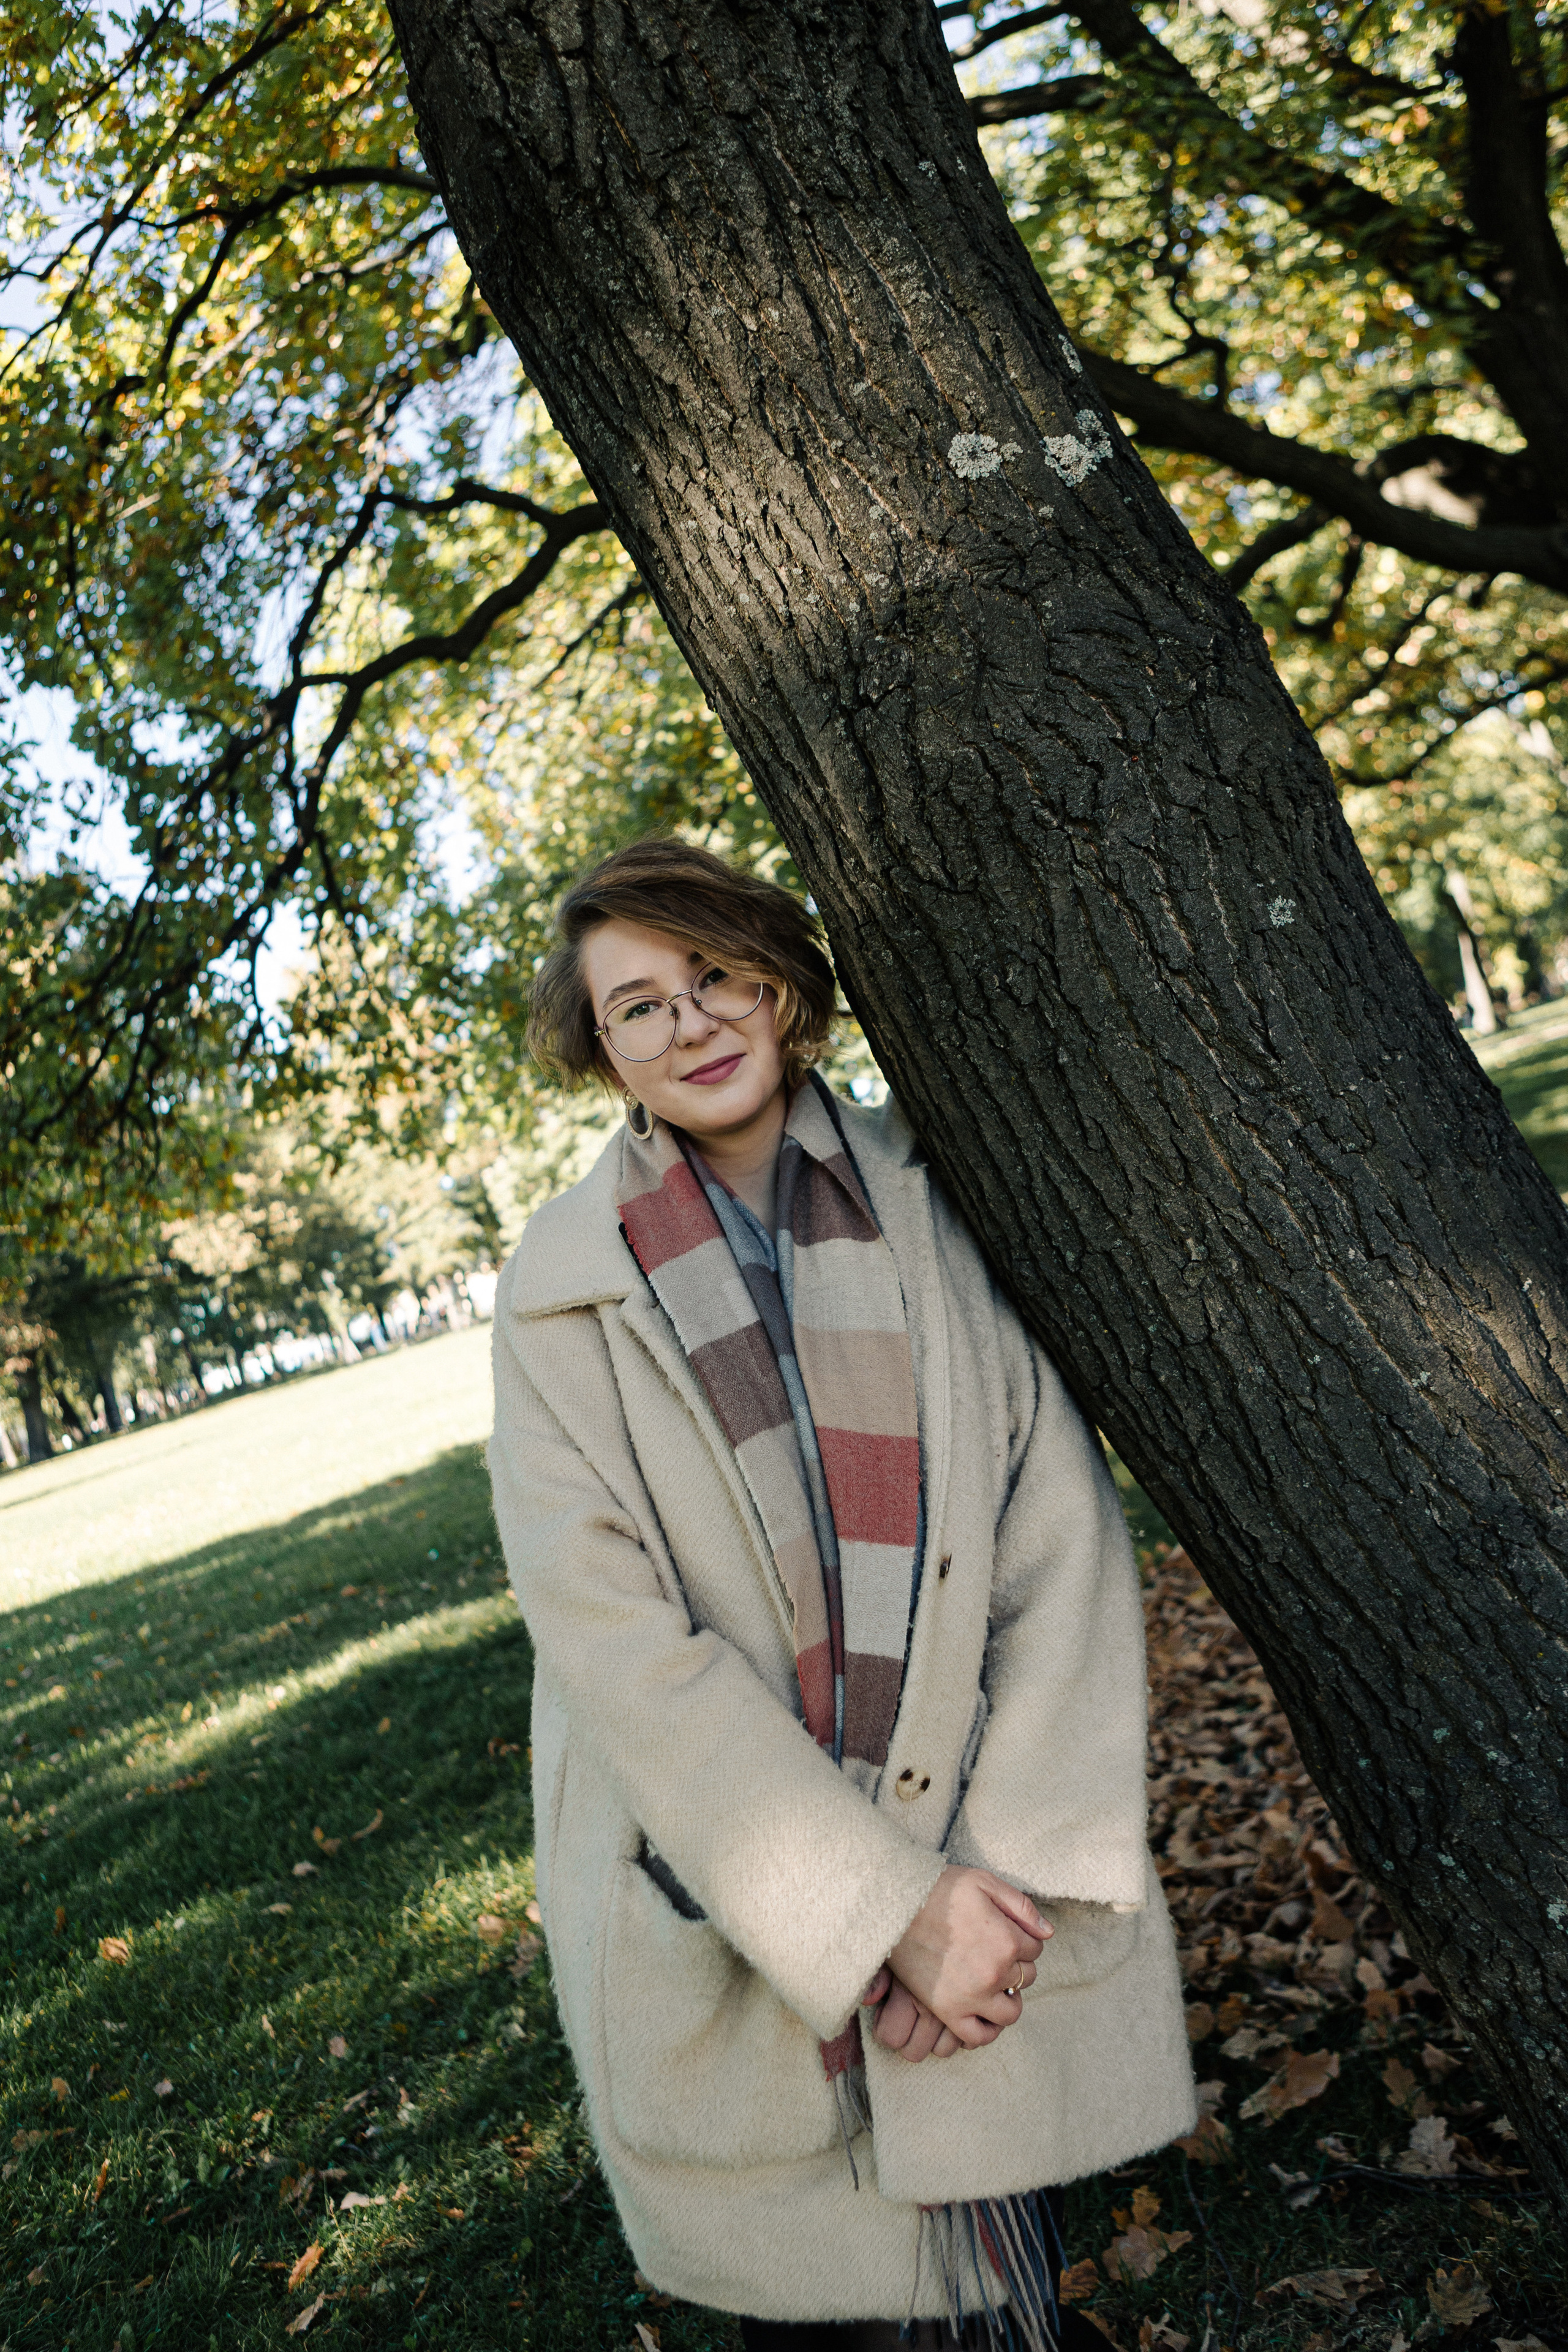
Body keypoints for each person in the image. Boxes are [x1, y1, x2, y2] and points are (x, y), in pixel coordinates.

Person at [489, 838, 1196, 2350]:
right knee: (825, 2312)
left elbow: (1049, 1540)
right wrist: (875, 1913)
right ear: (597, 1050)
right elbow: (611, 1640)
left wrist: (979, 1901)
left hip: (974, 1870)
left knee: (1008, 2292)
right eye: (637, 1007)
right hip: (739, 1888)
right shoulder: (560, 1289)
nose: (689, 1024)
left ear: (776, 975)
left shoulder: (934, 1199)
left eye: (711, 973)